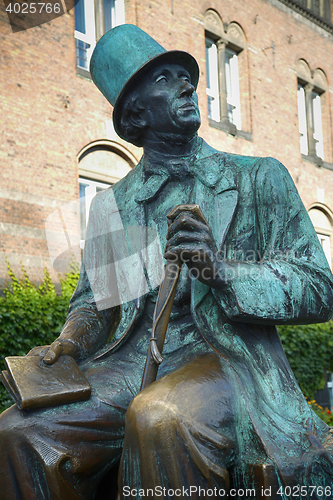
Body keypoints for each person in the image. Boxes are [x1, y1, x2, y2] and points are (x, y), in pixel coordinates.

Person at [1, 24, 333, 500]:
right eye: (165, 78)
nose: (186, 84)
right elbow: (97, 304)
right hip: (127, 368)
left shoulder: (259, 178)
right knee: (18, 434)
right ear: (135, 111)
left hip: (226, 360)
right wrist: (71, 341)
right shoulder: (113, 206)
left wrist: (222, 272)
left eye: (185, 75)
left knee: (159, 416)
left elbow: (319, 287)